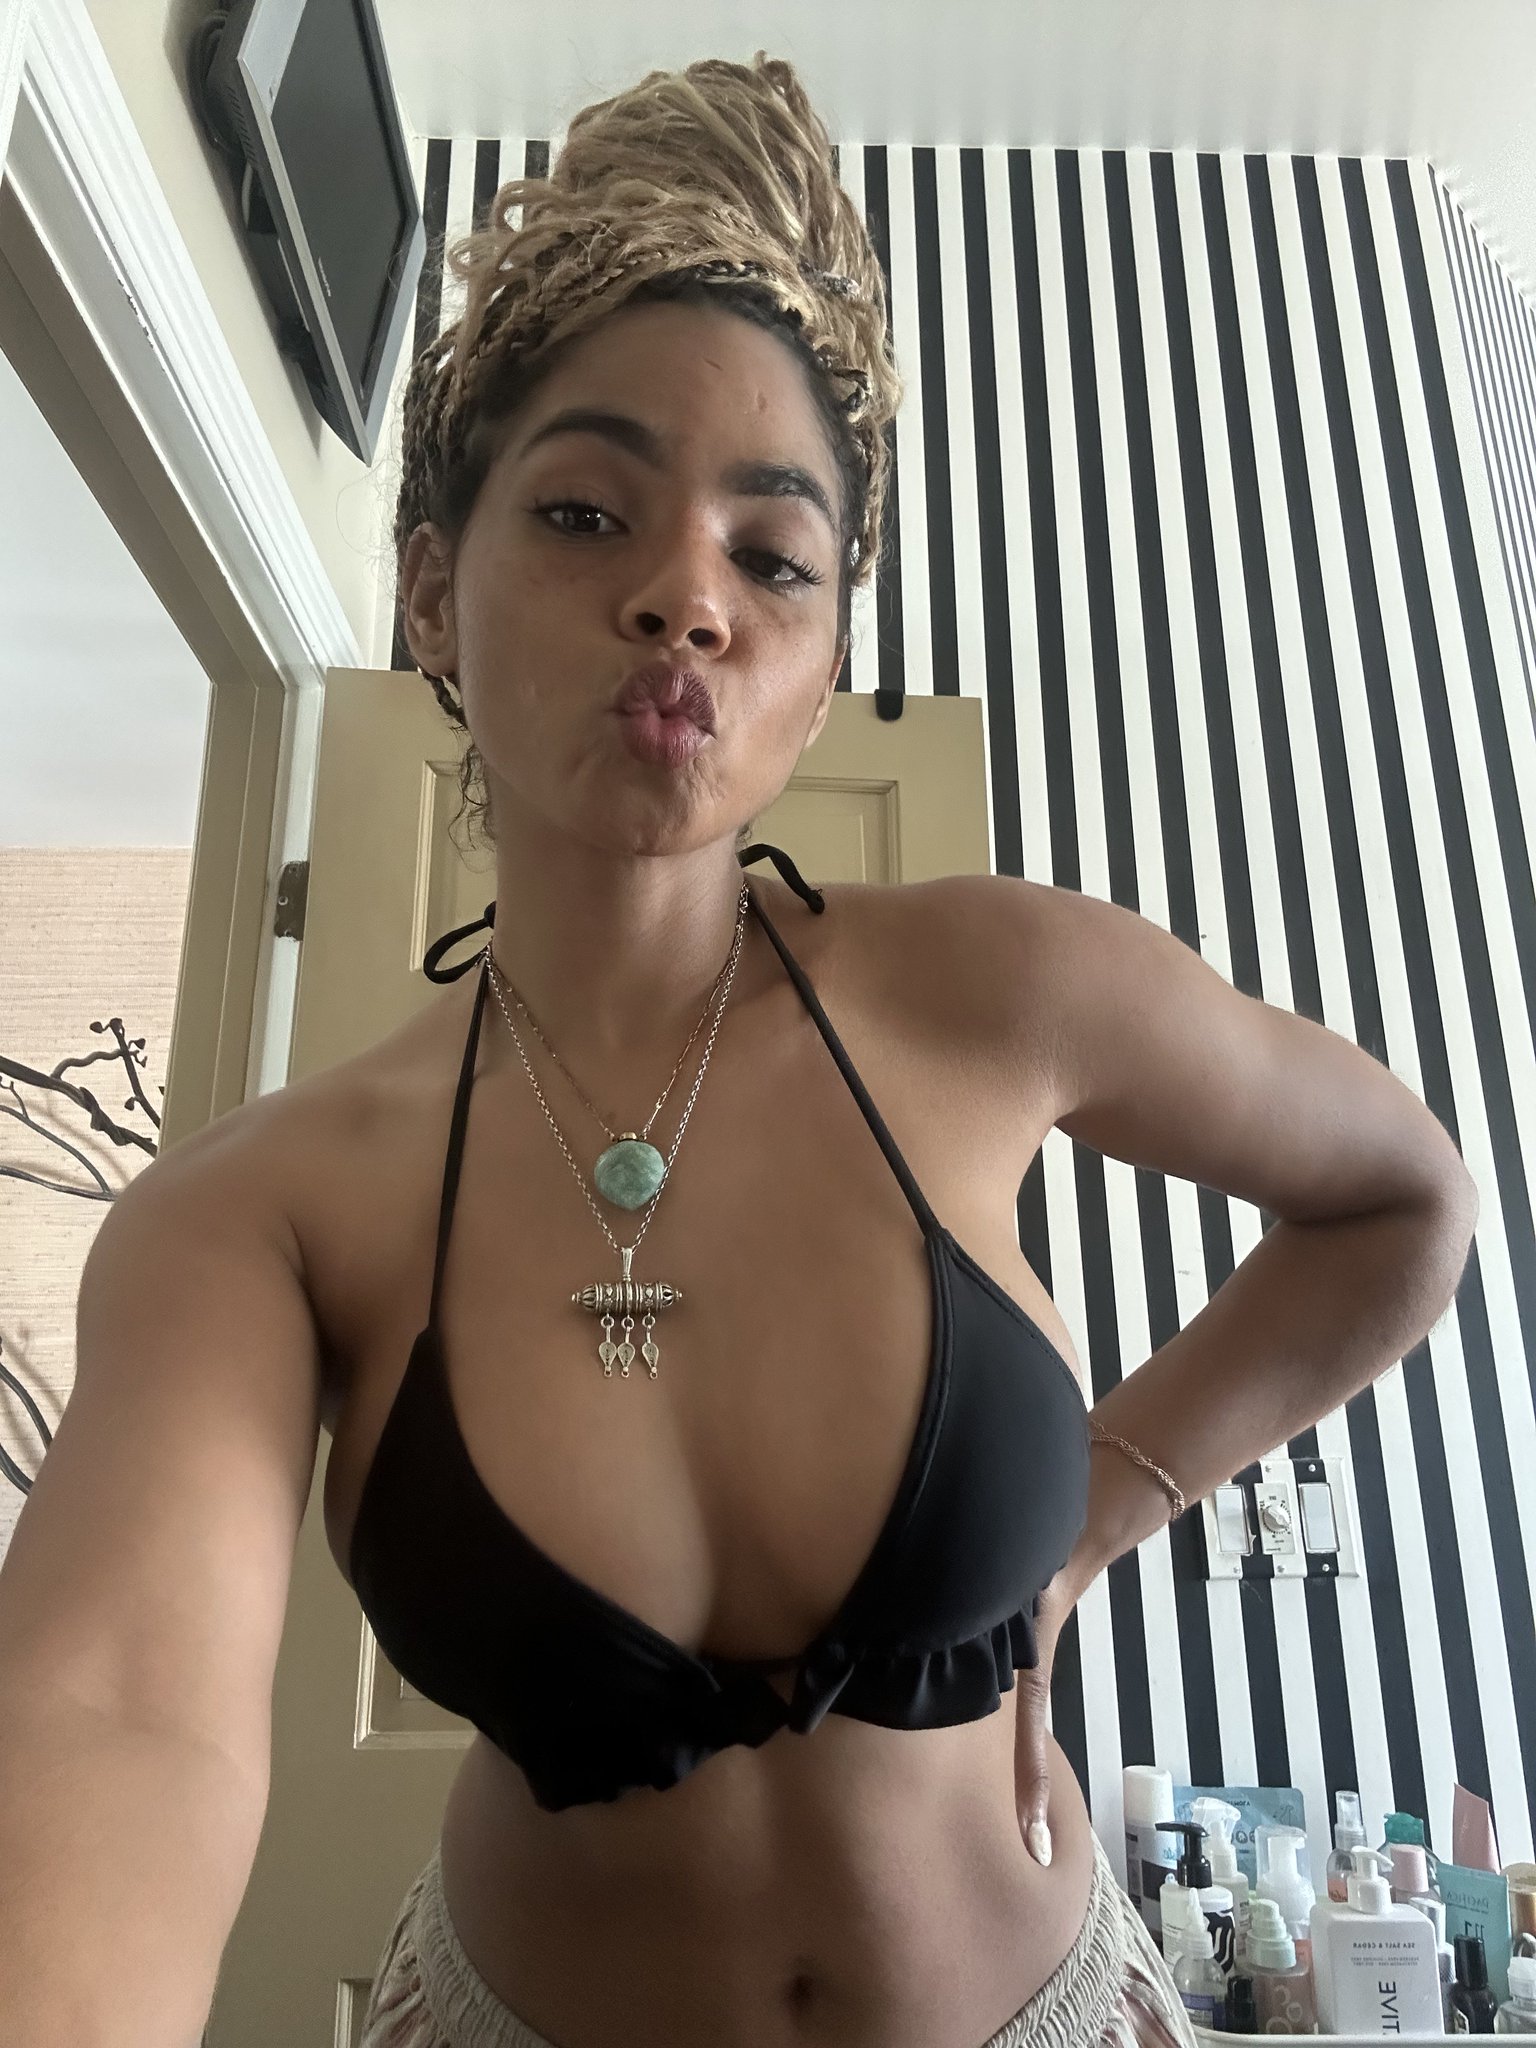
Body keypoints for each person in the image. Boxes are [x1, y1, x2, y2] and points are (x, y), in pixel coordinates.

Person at [0, 49, 1477, 2048]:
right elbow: (115, 1714)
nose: (686, 597)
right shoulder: (257, 1215)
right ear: (431, 592)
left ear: (825, 666)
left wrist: (1103, 1514)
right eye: (585, 511)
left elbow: (1404, 1202)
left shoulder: (1000, 989)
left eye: (772, 558)